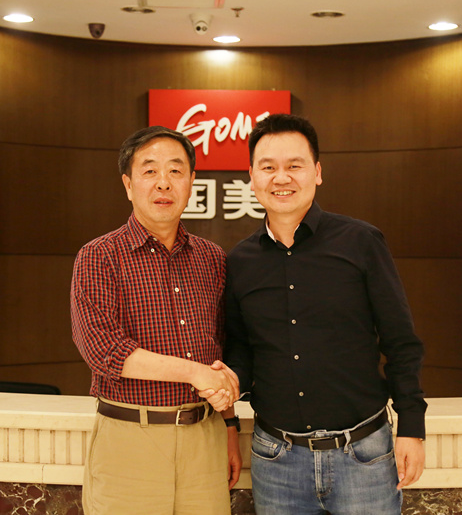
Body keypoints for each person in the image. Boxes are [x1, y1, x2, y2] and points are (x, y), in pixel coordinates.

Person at [222, 113, 427, 514]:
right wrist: (227, 383)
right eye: (268, 167)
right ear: (252, 177)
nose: (281, 178)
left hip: (363, 455)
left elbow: (401, 342)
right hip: (276, 459)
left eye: (294, 165)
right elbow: (242, 349)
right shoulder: (240, 261)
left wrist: (412, 428)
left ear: (317, 172)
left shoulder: (361, 242)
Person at [70, 126, 242, 515]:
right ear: (128, 185)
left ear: (192, 182)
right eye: (149, 171)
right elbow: (104, 351)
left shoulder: (212, 258)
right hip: (131, 441)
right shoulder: (99, 256)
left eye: (175, 171)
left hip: (205, 440)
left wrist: (230, 427)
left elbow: (219, 352)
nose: (163, 182)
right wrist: (194, 373)